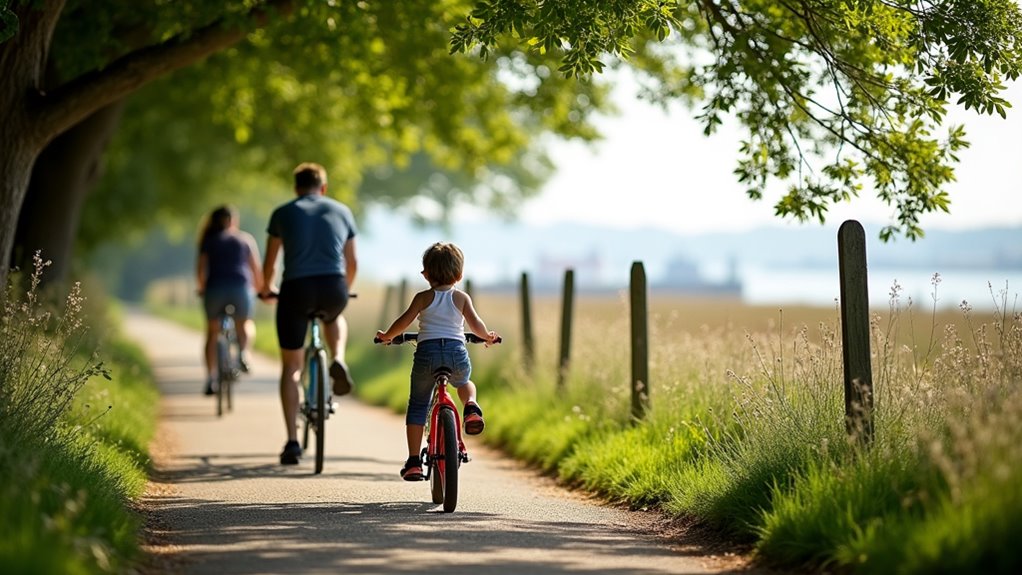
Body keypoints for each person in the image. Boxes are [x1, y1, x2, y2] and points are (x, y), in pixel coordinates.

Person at [375, 241, 500, 481]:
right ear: (460, 274)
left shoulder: (423, 298)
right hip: (456, 352)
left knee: (418, 404)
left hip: (427, 355)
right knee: (464, 382)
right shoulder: (461, 298)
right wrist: (487, 337)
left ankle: (413, 462)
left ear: (426, 274)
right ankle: (471, 406)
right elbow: (475, 324)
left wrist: (387, 336)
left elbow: (403, 321)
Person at [260, 162, 358, 465]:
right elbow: (352, 262)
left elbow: (271, 263)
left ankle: (291, 442)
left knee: (291, 367)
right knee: (334, 316)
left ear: (296, 188)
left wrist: (266, 289)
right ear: (323, 187)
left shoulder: (283, 212)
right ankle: (338, 356)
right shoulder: (342, 210)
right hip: (333, 287)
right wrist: (346, 289)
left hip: (295, 290)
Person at [196, 205, 263, 396]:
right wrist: (259, 290)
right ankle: (243, 353)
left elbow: (201, 270)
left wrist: (202, 289)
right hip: (240, 288)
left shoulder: (208, 240)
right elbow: (255, 270)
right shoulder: (245, 239)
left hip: (215, 289)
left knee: (212, 332)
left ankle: (211, 378)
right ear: (233, 221)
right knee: (245, 324)